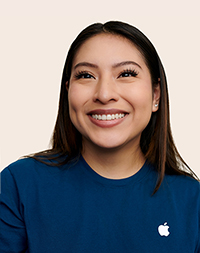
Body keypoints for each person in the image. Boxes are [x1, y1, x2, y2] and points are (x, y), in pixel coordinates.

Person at [0, 21, 199, 253]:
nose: (104, 94)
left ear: (156, 95)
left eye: (126, 74)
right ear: (68, 92)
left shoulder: (192, 201)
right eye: (86, 75)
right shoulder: (19, 185)